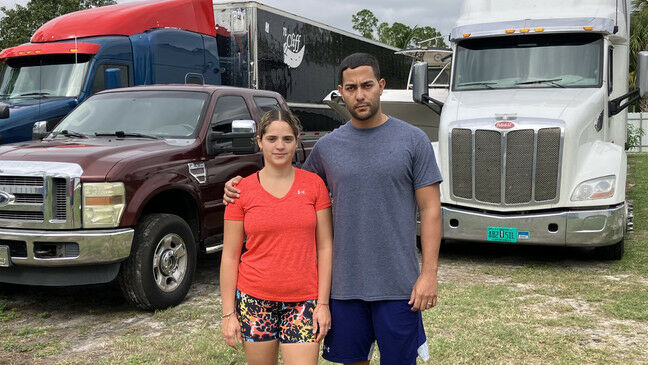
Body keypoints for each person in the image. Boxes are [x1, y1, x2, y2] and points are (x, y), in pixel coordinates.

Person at [225, 53, 442, 365]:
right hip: (343, 286)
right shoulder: (327, 148)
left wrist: (429, 275)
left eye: (367, 85)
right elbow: (288, 185)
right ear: (341, 91)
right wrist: (236, 188)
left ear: (381, 86)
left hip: (399, 285)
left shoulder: (413, 140)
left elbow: (431, 210)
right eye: (351, 88)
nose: (360, 94)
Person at [219, 109, 333, 365]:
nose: (279, 146)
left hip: (303, 301)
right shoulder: (240, 191)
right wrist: (228, 313)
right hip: (255, 299)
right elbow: (230, 255)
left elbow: (325, 247)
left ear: (297, 140)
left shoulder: (314, 185)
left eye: (287, 139)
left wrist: (323, 303)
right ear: (259, 141)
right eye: (271, 139)